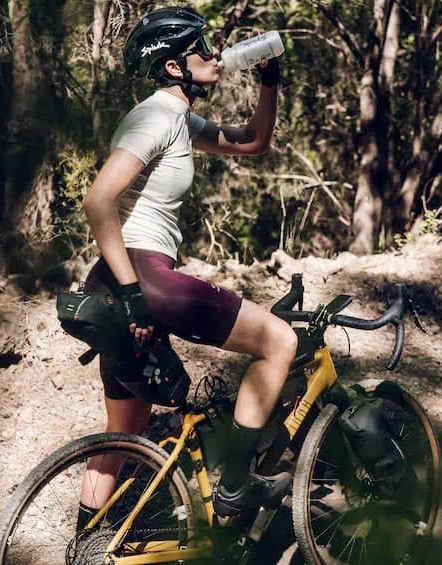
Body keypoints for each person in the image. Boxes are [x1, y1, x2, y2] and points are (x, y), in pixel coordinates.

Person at [76, 6, 297, 530]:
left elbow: (252, 142)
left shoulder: (177, 118)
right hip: (141, 276)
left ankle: (85, 546)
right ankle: (236, 487)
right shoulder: (155, 116)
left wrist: (270, 81)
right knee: (280, 342)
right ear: (175, 66)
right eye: (201, 47)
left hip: (116, 280)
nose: (215, 54)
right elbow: (97, 200)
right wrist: (134, 295)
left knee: (123, 435)